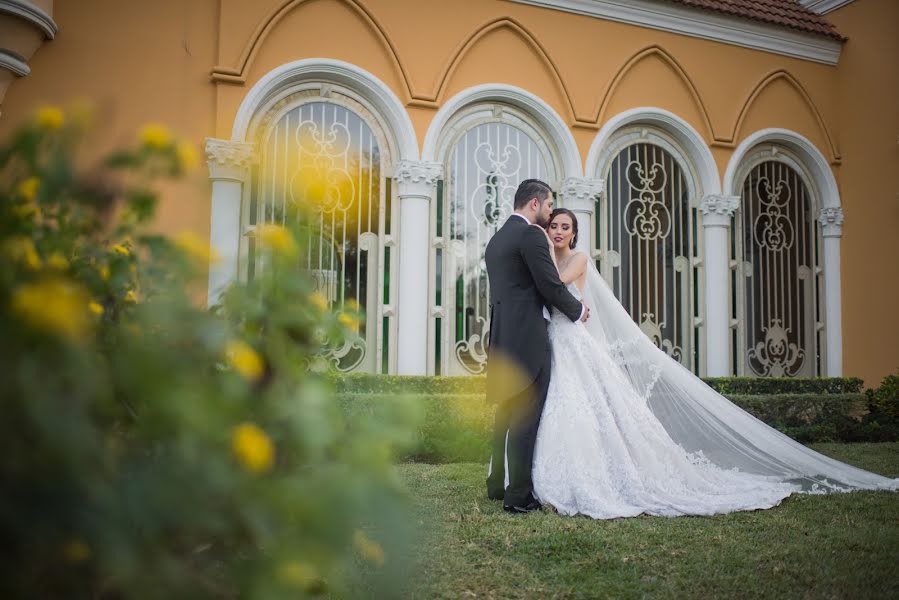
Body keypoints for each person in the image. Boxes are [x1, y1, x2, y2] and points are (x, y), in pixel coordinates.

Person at [528, 207, 898, 519]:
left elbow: (554, 286)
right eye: (554, 226)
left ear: (574, 234)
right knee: (566, 406)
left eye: (565, 227)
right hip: (557, 341)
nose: (559, 231)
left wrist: (541, 253)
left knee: (585, 404)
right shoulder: (547, 258)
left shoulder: (576, 260)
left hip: (575, 342)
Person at [484, 179, 590, 513]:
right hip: (529, 336)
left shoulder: (498, 238)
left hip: (503, 336)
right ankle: (518, 496)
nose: (549, 213)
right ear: (534, 203)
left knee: (506, 412)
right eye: (548, 207)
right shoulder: (530, 235)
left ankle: (496, 484)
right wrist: (577, 310)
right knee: (526, 418)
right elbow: (548, 284)